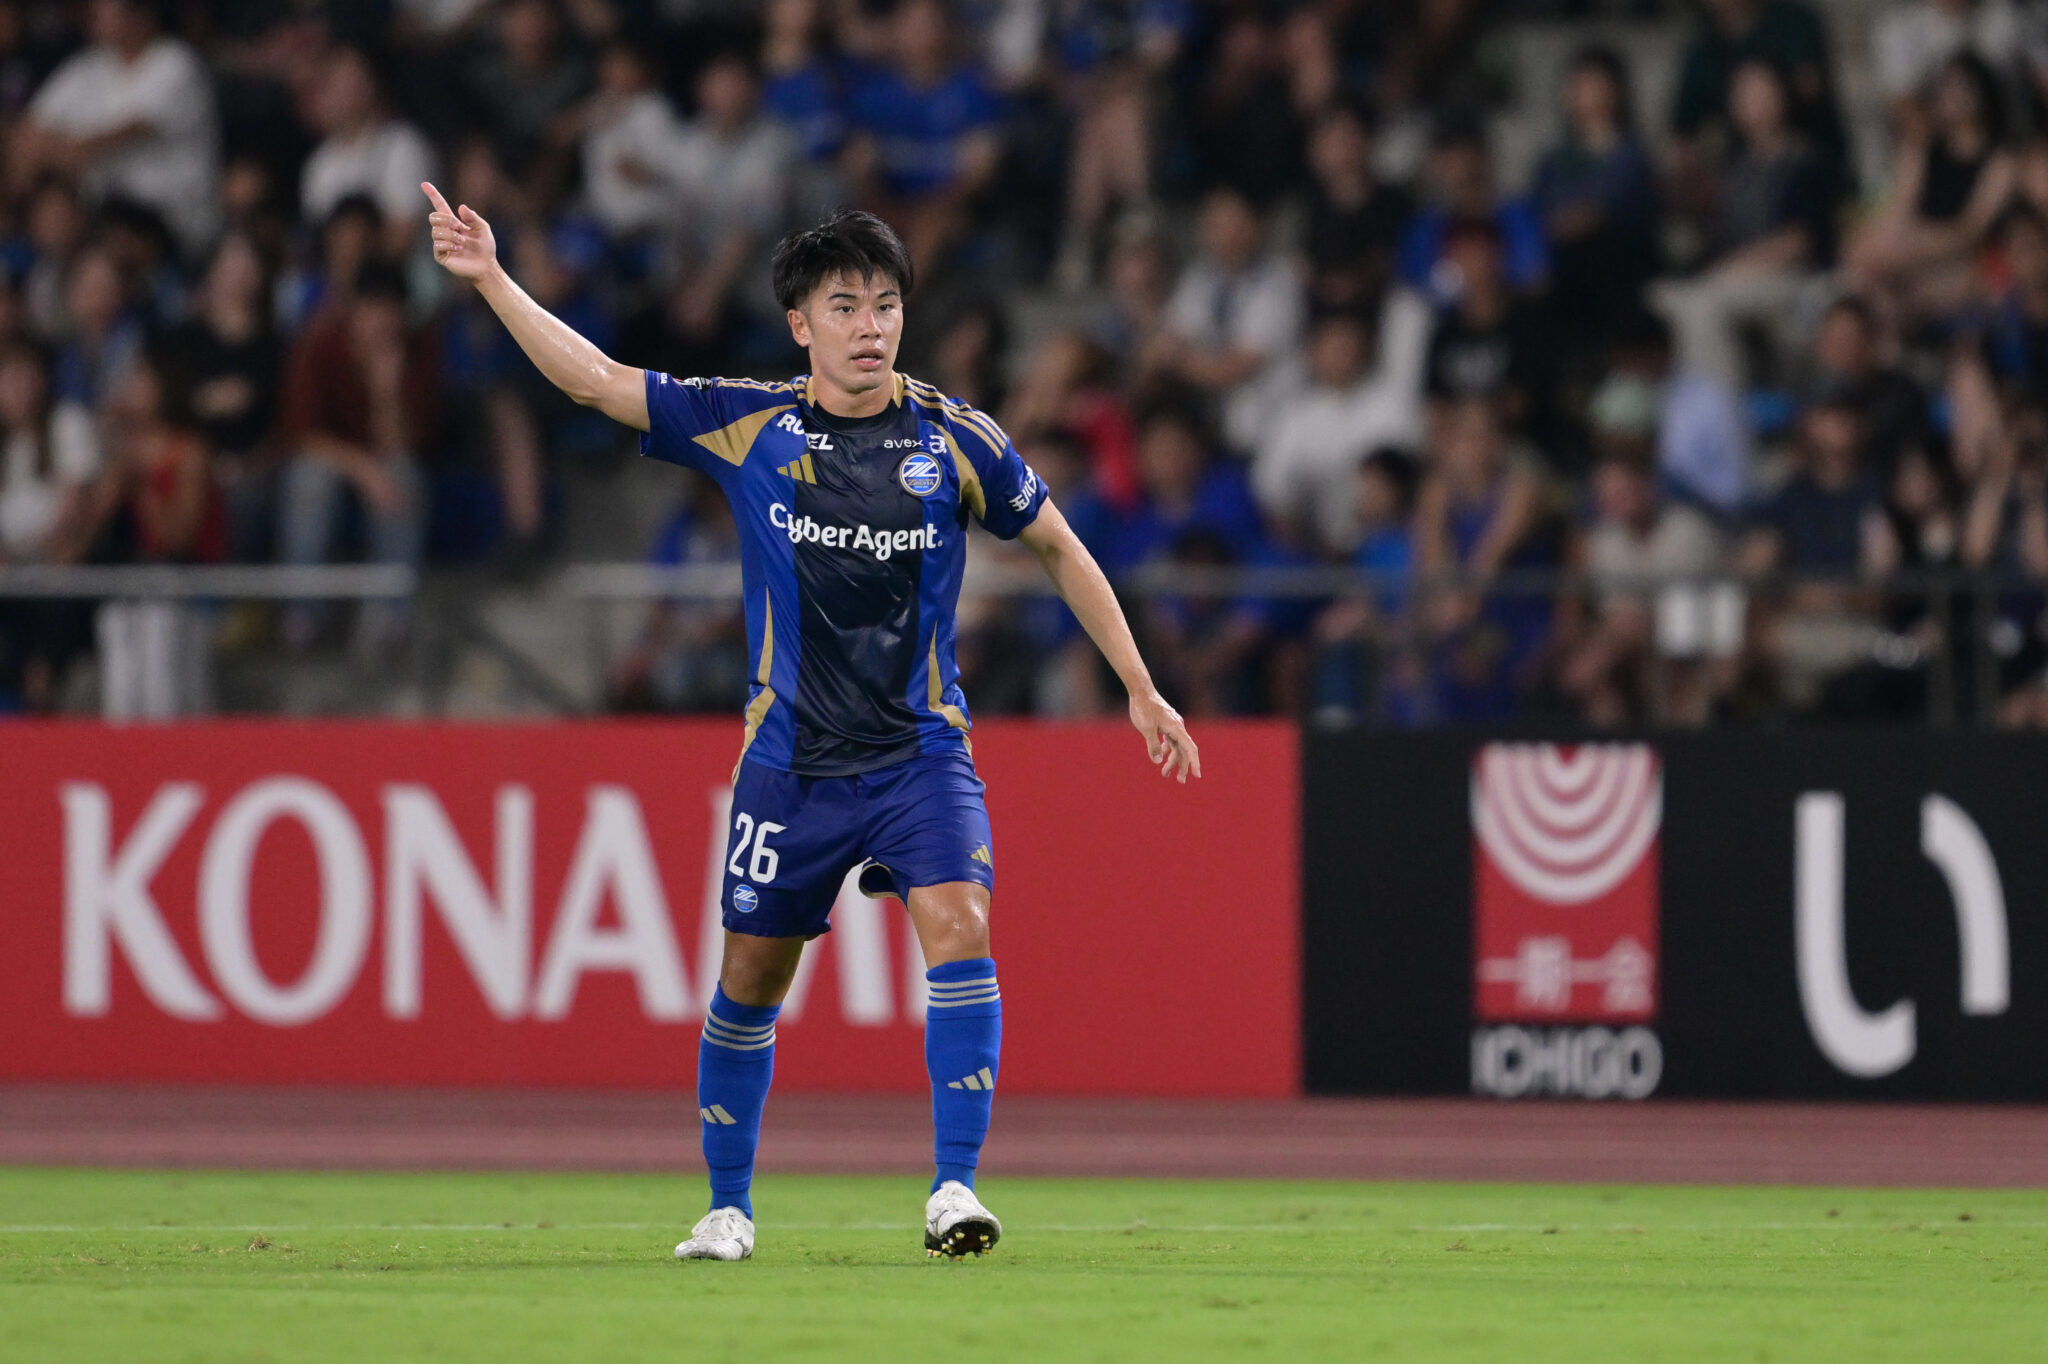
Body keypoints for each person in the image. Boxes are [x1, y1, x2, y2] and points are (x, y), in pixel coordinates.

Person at [422, 190, 1199, 1261]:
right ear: (800, 325)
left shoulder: (955, 438)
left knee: (961, 922)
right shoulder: (750, 422)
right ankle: (727, 1206)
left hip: (920, 754)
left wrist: (1139, 685)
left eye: (885, 304)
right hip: (789, 766)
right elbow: (596, 380)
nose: (870, 326)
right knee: (751, 977)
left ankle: (955, 1188)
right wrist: (493, 280)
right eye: (845, 306)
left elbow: (1059, 545)